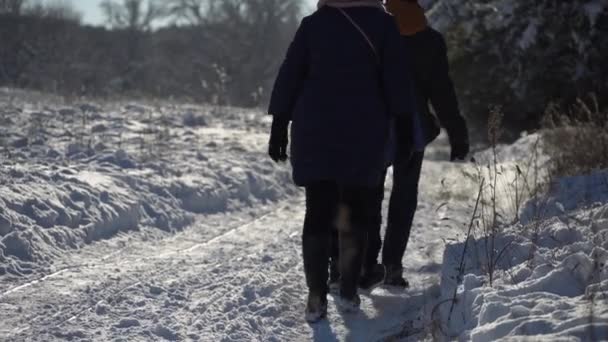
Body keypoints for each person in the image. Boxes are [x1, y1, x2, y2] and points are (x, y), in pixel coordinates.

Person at [267, 0, 415, 323]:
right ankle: (347, 290)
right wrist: (404, 125)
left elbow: (290, 73)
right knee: (356, 210)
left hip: (315, 129)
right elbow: (398, 79)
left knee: (318, 210)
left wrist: (279, 123)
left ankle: (316, 295)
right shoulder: (384, 25)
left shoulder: (313, 25)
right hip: (364, 130)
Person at [362, 0, 470, 289]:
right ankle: (392, 267)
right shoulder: (430, 40)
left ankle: (367, 264)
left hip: (374, 126)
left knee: (370, 193)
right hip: (414, 127)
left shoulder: (374, 32)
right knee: (404, 195)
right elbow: (442, 92)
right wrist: (457, 134)